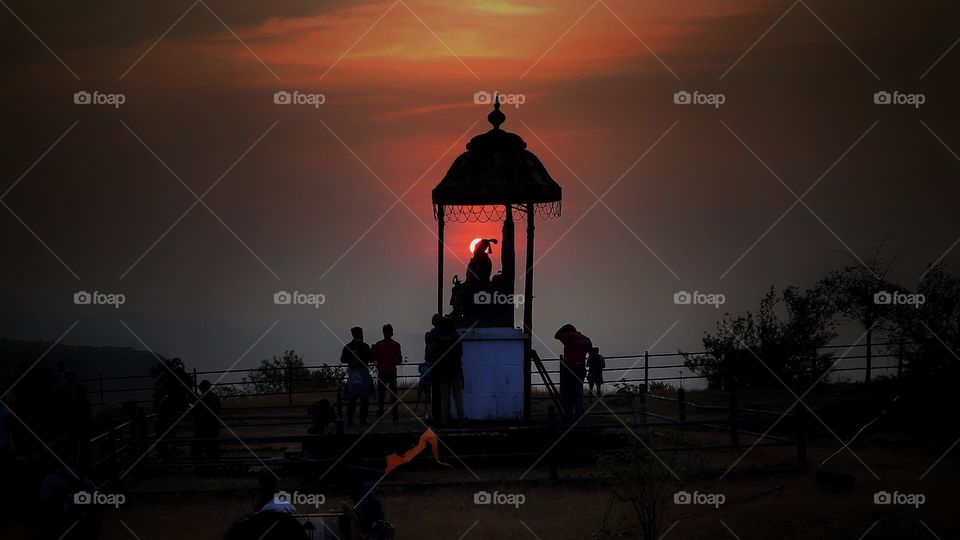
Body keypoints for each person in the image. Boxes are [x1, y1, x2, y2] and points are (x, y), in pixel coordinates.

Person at [429, 317, 465, 427]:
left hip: (442, 372)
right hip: (455, 371)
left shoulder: (438, 340)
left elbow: (432, 353)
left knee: (444, 398)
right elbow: (460, 354)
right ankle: (461, 419)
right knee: (457, 397)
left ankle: (444, 421)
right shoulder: (456, 339)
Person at [554, 324, 593, 419]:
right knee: (578, 391)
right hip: (580, 366)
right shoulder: (586, 339)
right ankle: (578, 413)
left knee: (568, 391)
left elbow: (556, 335)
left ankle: (569, 413)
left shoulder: (567, 336)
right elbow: (591, 352)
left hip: (569, 367)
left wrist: (563, 328)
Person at [341, 327, 375, 426]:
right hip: (363, 374)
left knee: (352, 399)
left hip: (353, 374)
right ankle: (363, 420)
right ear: (361, 334)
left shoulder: (348, 347)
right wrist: (373, 350)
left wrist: (351, 360)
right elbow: (371, 358)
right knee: (364, 398)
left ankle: (350, 420)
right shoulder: (365, 346)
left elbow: (342, 359)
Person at [373, 324, 403, 423]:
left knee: (381, 395)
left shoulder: (379, 344)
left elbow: (374, 357)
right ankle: (394, 414)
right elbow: (399, 360)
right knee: (393, 394)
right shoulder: (396, 345)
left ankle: (380, 414)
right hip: (391, 371)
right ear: (391, 332)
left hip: (382, 371)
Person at [191, 379, 221, 459]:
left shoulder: (200, 399)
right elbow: (218, 411)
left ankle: (200, 463)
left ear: (201, 388)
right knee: (213, 449)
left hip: (202, 427)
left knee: (196, 448)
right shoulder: (215, 397)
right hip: (213, 426)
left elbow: (194, 412)